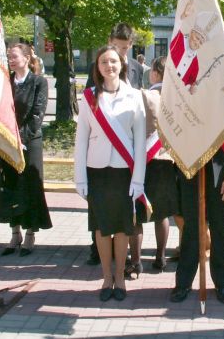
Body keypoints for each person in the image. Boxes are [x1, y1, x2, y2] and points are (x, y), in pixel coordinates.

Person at [74, 45, 146, 301]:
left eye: (114, 61)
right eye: (104, 62)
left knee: (123, 228)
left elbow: (139, 142)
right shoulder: (90, 96)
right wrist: (80, 177)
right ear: (98, 67)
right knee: (103, 229)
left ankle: (120, 279)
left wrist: (139, 179)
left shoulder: (135, 96)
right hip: (97, 172)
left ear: (122, 65)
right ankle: (106, 277)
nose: (109, 66)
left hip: (124, 174)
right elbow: (81, 138)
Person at [170, 106, 224, 305]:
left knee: (220, 228)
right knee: (191, 228)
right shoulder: (188, 82)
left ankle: (222, 283)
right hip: (192, 166)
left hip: (223, 171)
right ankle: (184, 282)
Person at [85, 23, 144, 266]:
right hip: (104, 143)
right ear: (110, 41)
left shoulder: (138, 69)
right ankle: (97, 249)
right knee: (101, 206)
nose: (122, 52)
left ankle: (132, 255)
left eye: (127, 47)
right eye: (119, 46)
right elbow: (92, 100)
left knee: (130, 205)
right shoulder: (99, 65)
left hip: (129, 143)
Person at [0, 43, 52, 256]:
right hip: (7, 142)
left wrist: (20, 139)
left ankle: (30, 234)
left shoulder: (38, 82)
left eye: (15, 56)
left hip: (28, 142)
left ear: (26, 58)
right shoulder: (6, 82)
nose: (11, 59)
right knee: (9, 185)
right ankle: (14, 232)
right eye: (9, 56)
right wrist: (6, 139)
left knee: (29, 186)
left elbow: (38, 113)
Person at [134, 56, 179, 272]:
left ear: (154, 73)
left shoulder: (144, 95)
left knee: (138, 214)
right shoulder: (178, 98)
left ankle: (136, 261)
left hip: (144, 160)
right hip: (166, 161)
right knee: (162, 214)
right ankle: (160, 257)